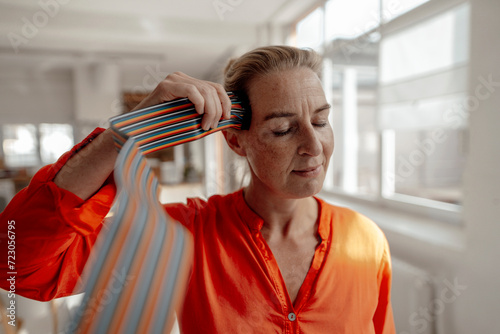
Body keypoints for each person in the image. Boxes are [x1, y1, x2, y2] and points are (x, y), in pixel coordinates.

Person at [0, 46, 395, 333]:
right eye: (282, 129)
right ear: (237, 142)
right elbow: (18, 265)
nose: (314, 146)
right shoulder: (181, 235)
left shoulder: (367, 240)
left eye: (322, 121)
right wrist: (124, 134)